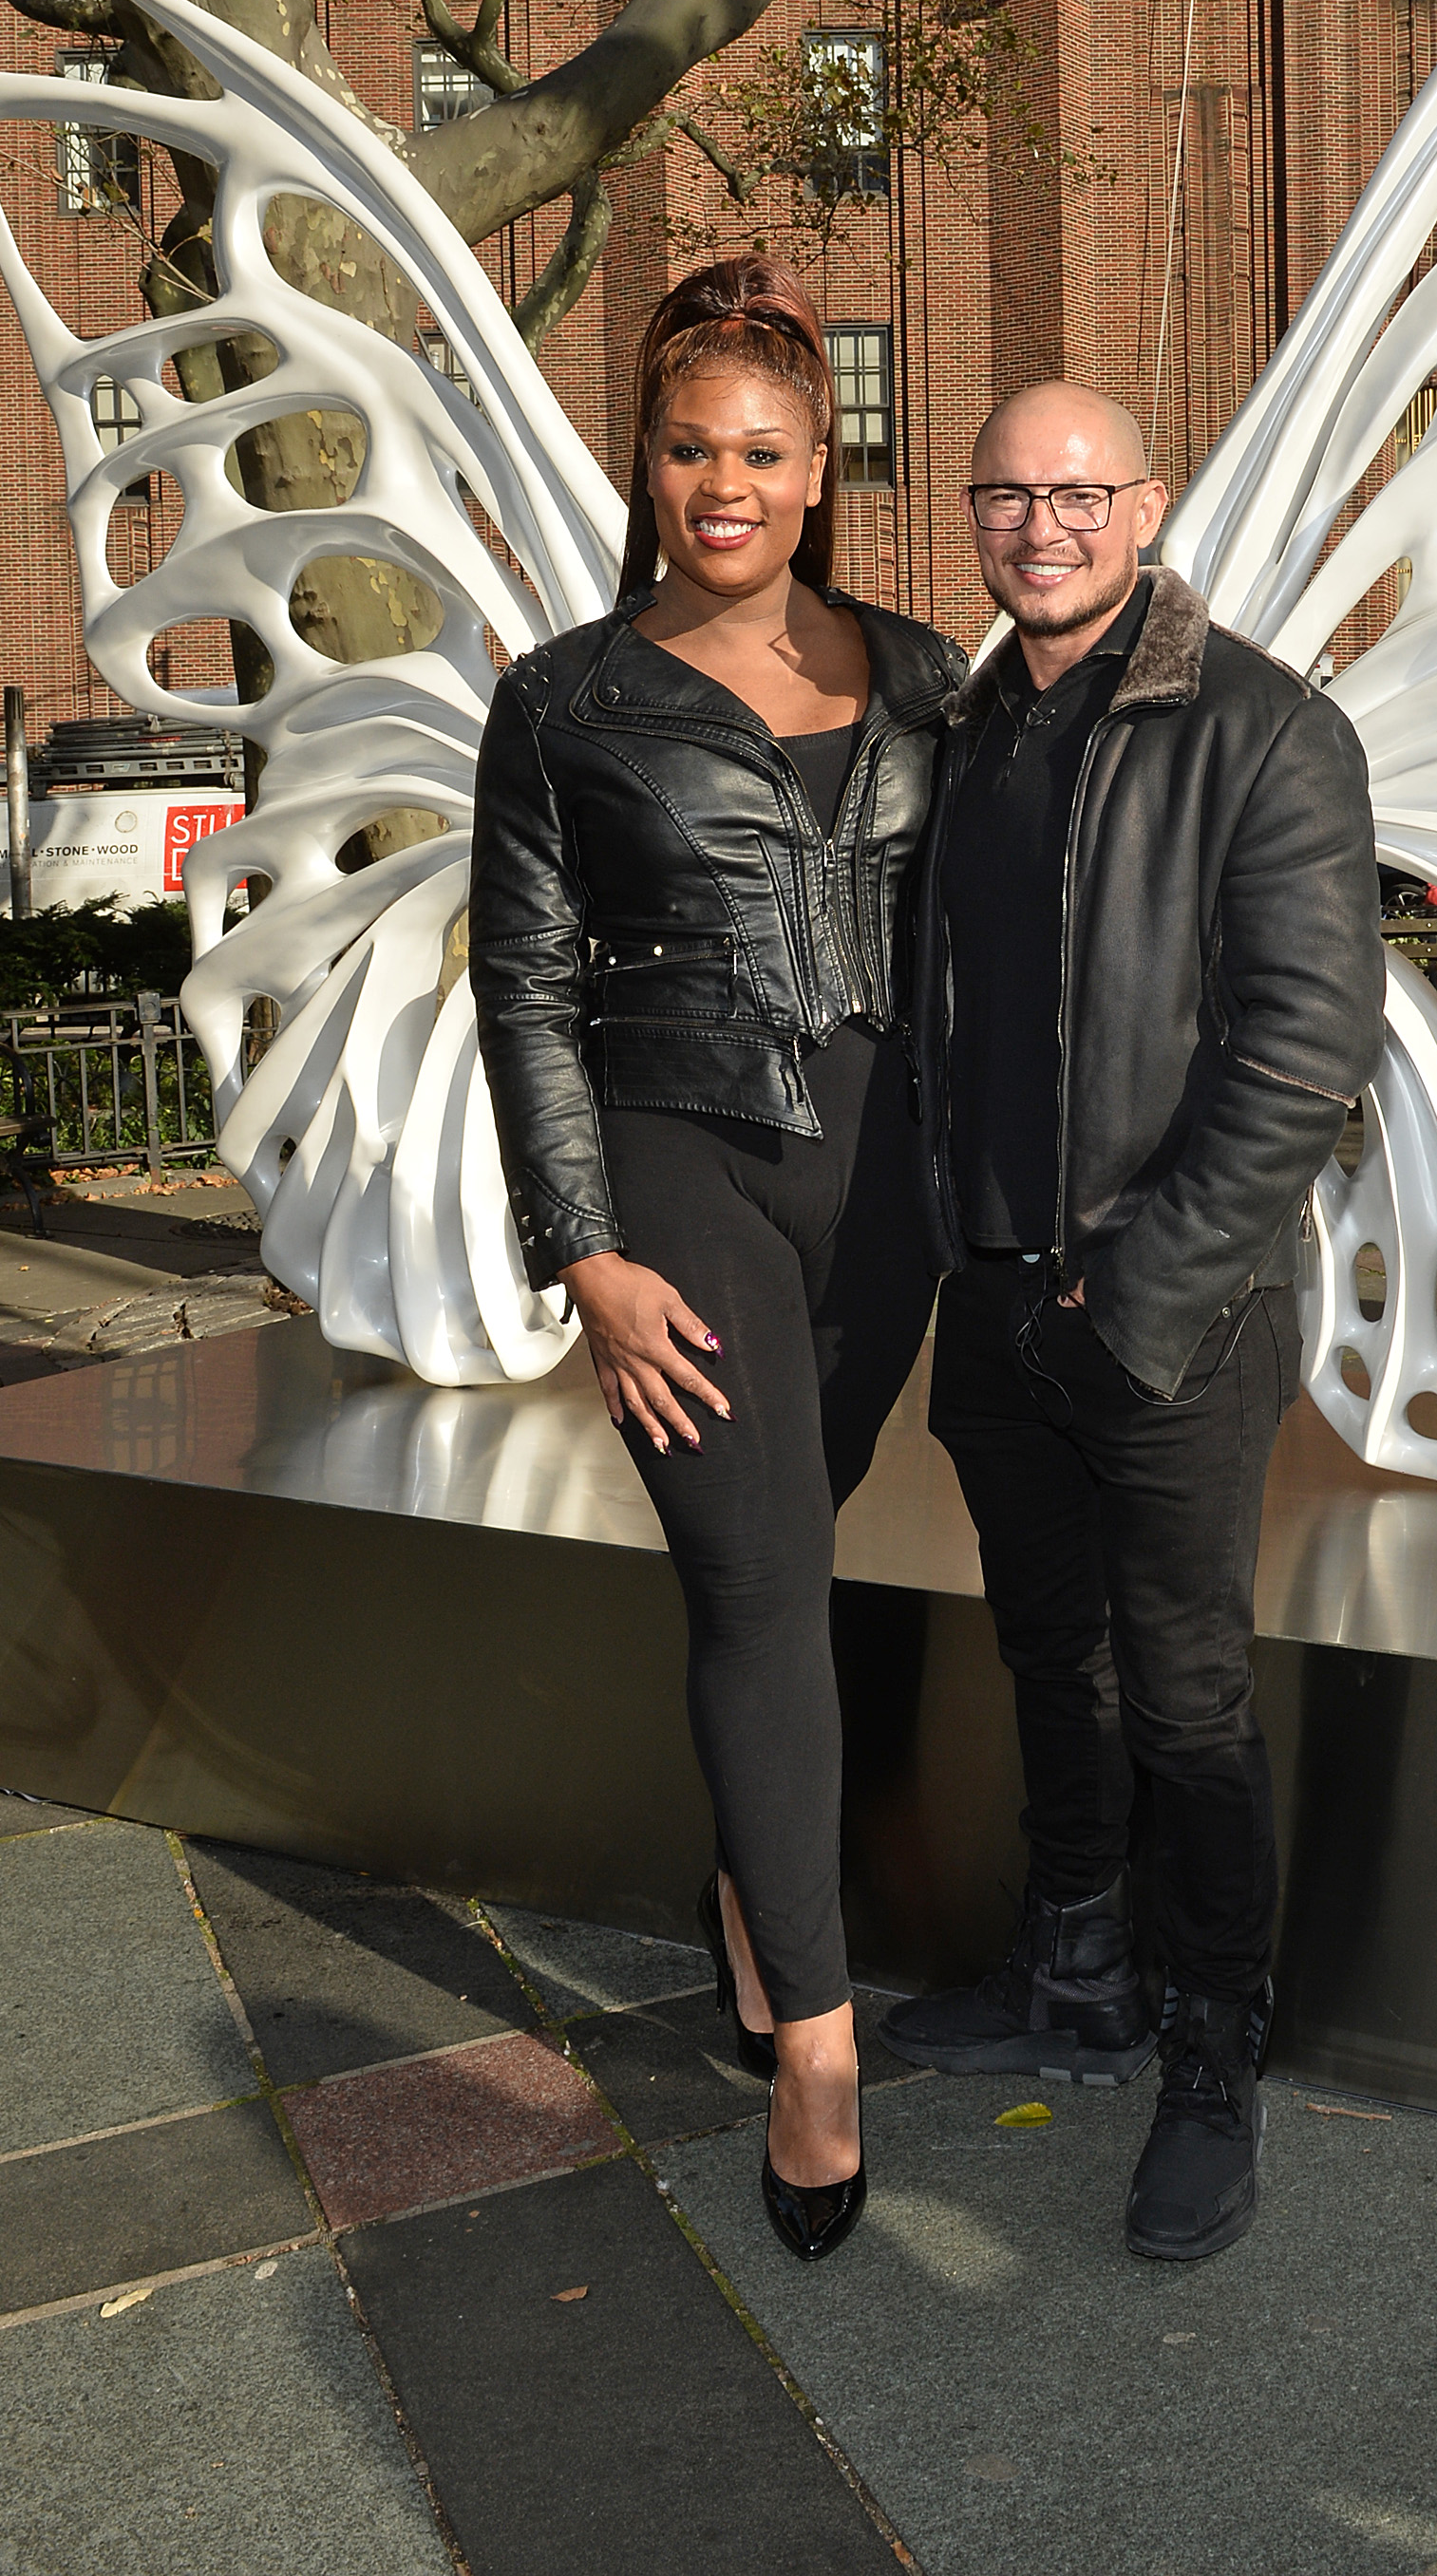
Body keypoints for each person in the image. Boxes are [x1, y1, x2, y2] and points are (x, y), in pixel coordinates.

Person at [468, 255, 963, 2266]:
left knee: (798, 1531)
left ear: (817, 464)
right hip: (682, 1167)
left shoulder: (930, 673)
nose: (722, 484)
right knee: (758, 1583)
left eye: (761, 450)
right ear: (646, 462)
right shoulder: (563, 701)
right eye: (689, 450)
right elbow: (523, 992)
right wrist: (582, 1249)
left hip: (894, 1193)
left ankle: (760, 1892)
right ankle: (820, 2052)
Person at [880, 383, 1385, 2264]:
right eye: (1003, 492)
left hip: (1169, 1317)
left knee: (1182, 1701)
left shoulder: (1260, 728)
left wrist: (1137, 1293)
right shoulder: (969, 724)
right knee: (1048, 1665)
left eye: (1076, 493)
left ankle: (1206, 2062)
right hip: (993, 1301)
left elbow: (1303, 1053)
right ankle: (1070, 1969)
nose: (1038, 525)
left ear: (1146, 505)